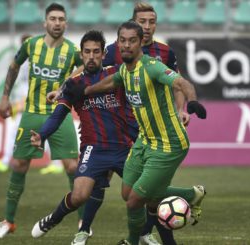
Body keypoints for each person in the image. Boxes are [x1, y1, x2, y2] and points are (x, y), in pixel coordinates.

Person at [67, 21, 207, 245]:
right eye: (122, 40)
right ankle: (191, 194)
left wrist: (192, 102)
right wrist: (85, 91)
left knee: (134, 202)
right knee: (128, 192)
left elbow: (181, 83)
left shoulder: (152, 67)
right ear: (117, 43)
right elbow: (111, 82)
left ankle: (132, 242)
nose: (126, 45)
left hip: (169, 144)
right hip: (144, 141)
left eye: (132, 40)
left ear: (140, 42)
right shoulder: (124, 69)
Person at [29, 30, 137, 244]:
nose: (91, 56)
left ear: (103, 53)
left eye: (96, 52)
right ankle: (54, 218)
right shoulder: (72, 84)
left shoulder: (117, 74)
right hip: (93, 149)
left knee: (139, 195)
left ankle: (139, 235)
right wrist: (42, 135)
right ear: (81, 54)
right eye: (87, 52)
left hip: (124, 148)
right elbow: (59, 114)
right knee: (79, 196)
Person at [0, 3, 82, 238]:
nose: (57, 22)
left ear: (66, 23)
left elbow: (86, 68)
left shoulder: (72, 50)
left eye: (61, 19)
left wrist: (66, 83)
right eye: (53, 18)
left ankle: (84, 224)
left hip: (60, 113)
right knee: (19, 164)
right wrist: (4, 98)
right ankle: (8, 221)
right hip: (31, 113)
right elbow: (14, 66)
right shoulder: (31, 45)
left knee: (72, 166)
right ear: (45, 22)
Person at [0, 34, 32, 173]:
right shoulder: (23, 62)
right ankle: (5, 161)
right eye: (23, 43)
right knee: (43, 133)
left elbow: (32, 86)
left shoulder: (32, 63)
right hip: (26, 101)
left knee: (16, 132)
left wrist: (22, 103)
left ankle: (5, 161)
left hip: (32, 103)